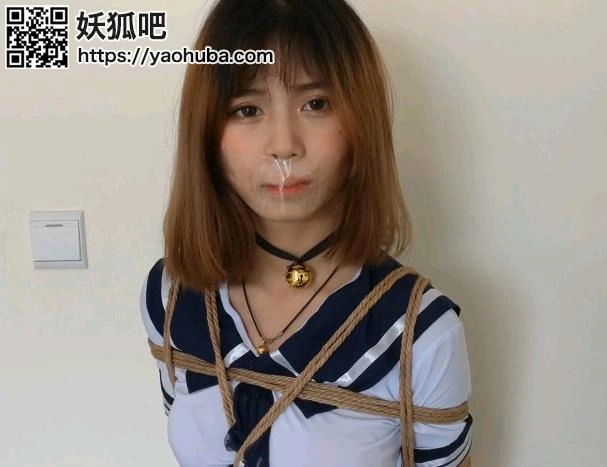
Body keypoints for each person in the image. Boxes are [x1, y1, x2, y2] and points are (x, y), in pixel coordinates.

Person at [139, 0, 473, 466]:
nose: (284, 145)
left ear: (361, 122)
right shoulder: (171, 295)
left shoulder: (418, 330)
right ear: (207, 133)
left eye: (316, 104)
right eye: (247, 109)